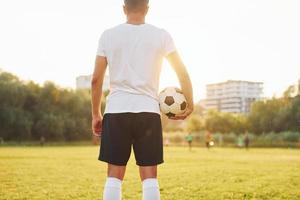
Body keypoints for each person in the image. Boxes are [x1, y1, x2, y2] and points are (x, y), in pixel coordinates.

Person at [91, 1, 194, 200]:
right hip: (148, 112)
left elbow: (96, 80)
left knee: (114, 175)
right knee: (149, 177)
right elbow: (182, 72)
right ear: (147, 9)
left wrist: (96, 114)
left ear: (123, 8)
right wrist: (189, 103)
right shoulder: (161, 35)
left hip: (116, 111)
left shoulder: (108, 35)